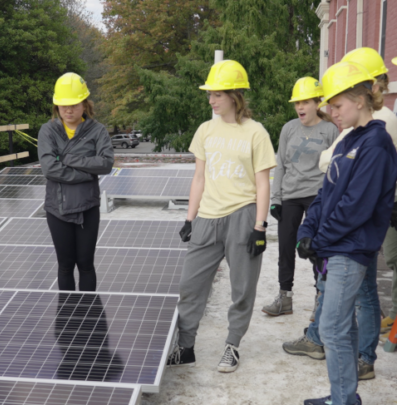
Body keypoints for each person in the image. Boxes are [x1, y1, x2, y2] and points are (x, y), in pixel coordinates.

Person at [286, 48, 397, 382]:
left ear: (360, 100)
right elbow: (327, 192)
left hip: (350, 248)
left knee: (332, 329)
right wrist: (307, 231)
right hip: (335, 246)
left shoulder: (376, 142)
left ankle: (345, 394)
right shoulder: (350, 138)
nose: (330, 112)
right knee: (342, 326)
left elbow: (355, 206)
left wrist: (318, 241)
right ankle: (345, 395)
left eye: (336, 105)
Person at [168, 60, 276, 373]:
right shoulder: (205, 130)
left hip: (243, 216)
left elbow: (262, 182)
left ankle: (232, 345)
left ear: (234, 96)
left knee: (242, 287)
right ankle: (186, 347)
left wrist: (260, 226)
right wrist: (190, 218)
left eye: (217, 94)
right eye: (210, 94)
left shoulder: (256, 133)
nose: (211, 100)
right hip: (207, 217)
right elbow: (199, 177)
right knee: (190, 285)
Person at [262, 77, 338, 318]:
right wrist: (276, 198)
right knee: (286, 247)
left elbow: (335, 168)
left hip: (318, 196)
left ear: (318, 102)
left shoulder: (330, 130)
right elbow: (281, 165)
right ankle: (285, 298)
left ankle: (320, 298)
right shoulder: (289, 128)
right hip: (291, 195)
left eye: (305, 102)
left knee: (316, 248)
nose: (300, 107)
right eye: (297, 103)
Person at [38, 72, 114, 291]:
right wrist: (87, 172)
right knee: (65, 265)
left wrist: (68, 158)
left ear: (84, 104)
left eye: (73, 104)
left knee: (86, 264)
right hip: (57, 209)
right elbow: (49, 169)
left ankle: (87, 316)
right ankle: (69, 317)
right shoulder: (48, 131)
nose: (68, 110)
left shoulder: (97, 130)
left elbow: (106, 164)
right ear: (56, 106)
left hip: (87, 207)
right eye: (63, 106)